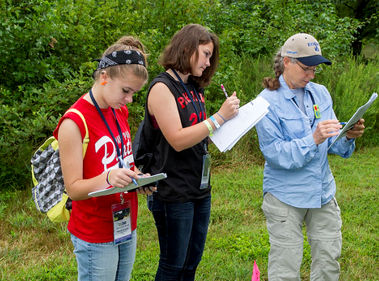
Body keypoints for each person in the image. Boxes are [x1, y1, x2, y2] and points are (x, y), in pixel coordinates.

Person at [255, 33, 365, 280]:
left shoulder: (321, 93)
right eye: (306, 69)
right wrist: (312, 139)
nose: (312, 75)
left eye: (315, 69)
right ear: (287, 62)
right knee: (285, 269)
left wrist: (347, 136)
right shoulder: (265, 103)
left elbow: (331, 142)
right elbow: (274, 154)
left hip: (322, 192)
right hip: (286, 197)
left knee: (328, 262)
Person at [54, 36, 156, 281]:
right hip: (95, 231)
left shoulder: (118, 109)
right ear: (103, 78)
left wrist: (137, 179)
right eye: (126, 90)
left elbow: (123, 162)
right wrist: (108, 177)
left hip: (125, 223)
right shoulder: (74, 122)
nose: (130, 99)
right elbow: (74, 189)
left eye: (134, 93)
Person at [144, 24, 240, 280]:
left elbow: (200, 131)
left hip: (199, 186)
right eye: (206, 54)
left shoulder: (194, 87)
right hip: (172, 191)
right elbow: (176, 139)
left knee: (191, 263)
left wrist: (231, 122)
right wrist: (219, 117)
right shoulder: (162, 88)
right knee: (173, 264)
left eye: (211, 56)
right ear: (187, 49)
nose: (209, 63)